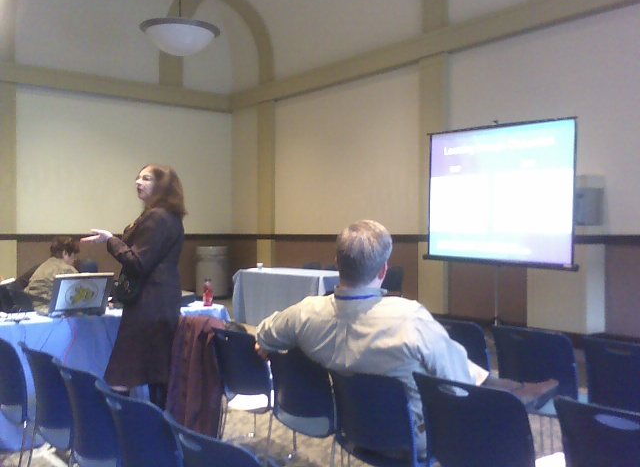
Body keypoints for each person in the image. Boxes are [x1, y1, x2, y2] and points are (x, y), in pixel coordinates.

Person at [255, 219, 558, 460]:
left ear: (337, 263)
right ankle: (513, 395)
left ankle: (513, 390)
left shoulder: (306, 312)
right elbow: (457, 389)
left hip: (350, 427)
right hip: (416, 438)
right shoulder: (409, 319)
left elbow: (265, 335)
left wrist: (265, 346)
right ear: (384, 270)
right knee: (456, 375)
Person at [81, 164, 186, 409]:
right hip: (163, 300)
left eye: (146, 178)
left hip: (148, 303)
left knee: (122, 372)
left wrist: (111, 241)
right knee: (158, 370)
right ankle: (160, 430)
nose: (138, 182)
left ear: (162, 185)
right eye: (138, 177)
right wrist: (112, 239)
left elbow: (137, 263)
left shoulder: (157, 216)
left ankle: (123, 431)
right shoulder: (168, 217)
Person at [24, 236, 80, 314]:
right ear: (65, 253)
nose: (74, 260)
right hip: (50, 311)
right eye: (74, 256)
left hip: (32, 310)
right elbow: (80, 299)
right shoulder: (67, 270)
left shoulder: (43, 266)